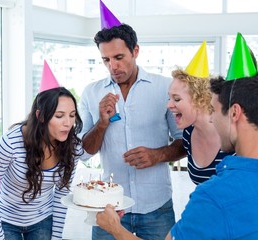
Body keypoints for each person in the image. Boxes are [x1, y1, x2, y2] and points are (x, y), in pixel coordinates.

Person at [97, 75, 258, 239]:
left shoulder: (213, 195)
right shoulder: (189, 136)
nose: (212, 117)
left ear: (234, 113)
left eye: (215, 110)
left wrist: (114, 227)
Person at [79, 23, 185, 240]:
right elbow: (84, 152)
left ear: (135, 51)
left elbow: (184, 141)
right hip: (108, 207)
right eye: (106, 60)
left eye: (119, 57)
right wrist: (102, 123)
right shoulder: (91, 92)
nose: (113, 66)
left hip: (157, 205)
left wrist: (158, 155)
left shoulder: (165, 88)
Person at [0, 87, 84, 240]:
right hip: (5, 221)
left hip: (42, 221)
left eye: (72, 116)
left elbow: (61, 193)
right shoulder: (11, 142)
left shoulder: (73, 147)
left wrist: (56, 237)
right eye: (59, 116)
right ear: (41, 116)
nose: (68, 123)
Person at [167, 68, 234, 184]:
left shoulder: (231, 137)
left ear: (200, 99)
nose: (168, 105)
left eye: (176, 99)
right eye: (169, 98)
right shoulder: (188, 133)